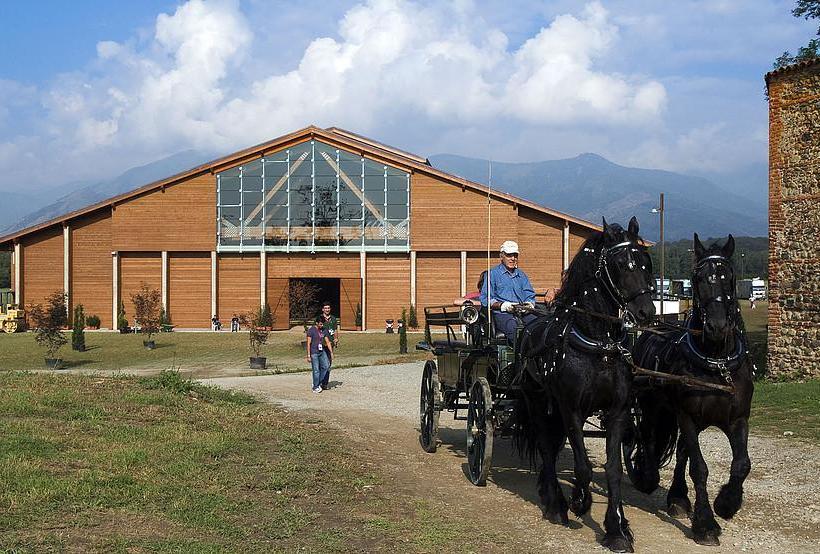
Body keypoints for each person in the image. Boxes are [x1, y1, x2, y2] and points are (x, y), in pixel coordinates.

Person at [479, 241, 538, 345]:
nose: (512, 258)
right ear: (501, 256)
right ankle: (519, 358)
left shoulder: (521, 275)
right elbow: (485, 298)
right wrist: (503, 305)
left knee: (538, 327)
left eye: (515, 255)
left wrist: (529, 304)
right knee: (514, 330)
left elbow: (529, 294)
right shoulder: (492, 274)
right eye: (509, 255)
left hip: (523, 312)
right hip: (503, 314)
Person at [306, 315, 333, 394]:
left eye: (322, 324)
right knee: (316, 370)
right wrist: (308, 355)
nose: (322, 325)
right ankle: (315, 387)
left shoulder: (323, 330)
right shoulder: (311, 330)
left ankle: (317, 382)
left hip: (322, 351)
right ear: (317, 323)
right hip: (314, 352)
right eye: (320, 324)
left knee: (326, 366)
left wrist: (331, 352)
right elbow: (308, 343)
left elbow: (327, 341)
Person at [319, 301, 339, 390]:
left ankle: (325, 383)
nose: (327, 309)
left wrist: (336, 338)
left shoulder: (333, 319)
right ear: (323, 309)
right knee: (323, 364)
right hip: (321, 344)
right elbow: (316, 330)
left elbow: (335, 330)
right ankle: (318, 382)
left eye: (328, 308)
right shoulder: (320, 318)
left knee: (328, 364)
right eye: (325, 308)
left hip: (330, 344)